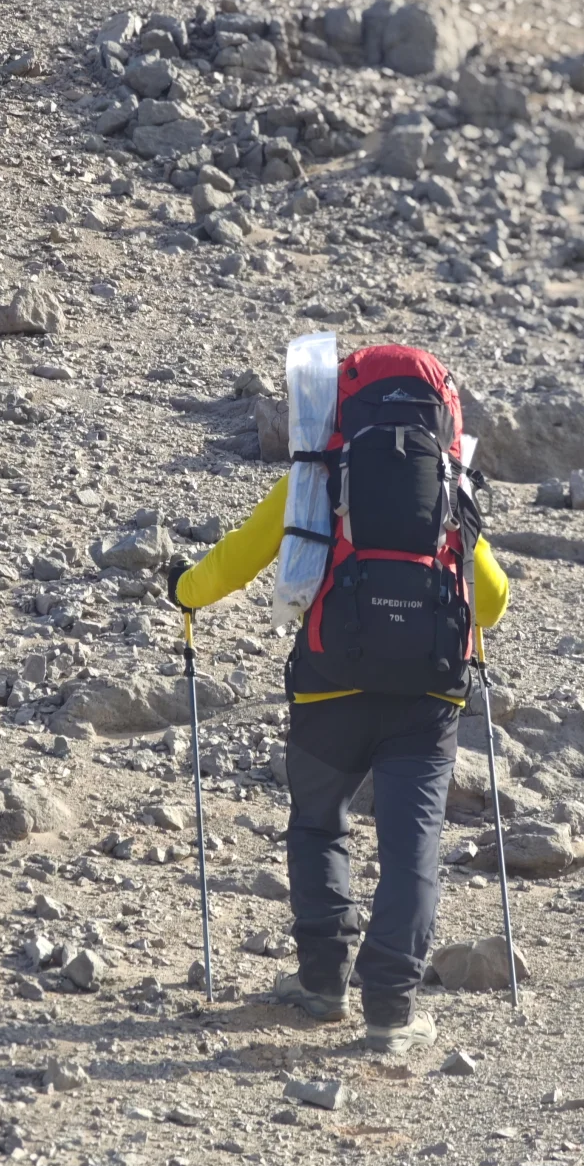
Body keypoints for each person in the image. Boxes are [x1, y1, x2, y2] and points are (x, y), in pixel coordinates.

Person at [167, 344, 509, 1054]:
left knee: (319, 824)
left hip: (331, 684)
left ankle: (322, 984)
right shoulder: (449, 484)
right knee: (411, 847)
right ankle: (390, 1012)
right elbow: (493, 601)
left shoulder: (316, 475)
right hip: (426, 695)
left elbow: (240, 557)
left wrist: (184, 590)